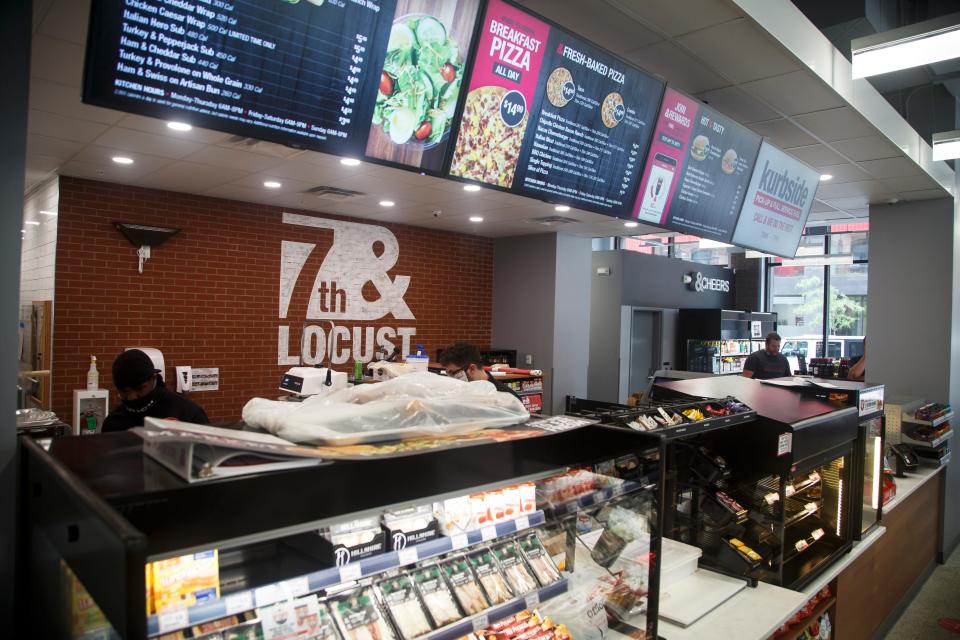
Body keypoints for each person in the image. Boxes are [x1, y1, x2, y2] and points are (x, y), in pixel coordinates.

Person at [102, 349, 210, 432]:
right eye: (124, 391)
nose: (132, 397)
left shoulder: (187, 413)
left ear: (154, 378)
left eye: (139, 388)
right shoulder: (113, 423)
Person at [438, 342, 522, 401]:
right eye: (448, 373)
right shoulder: (460, 392)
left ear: (472, 369)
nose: (451, 378)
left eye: (453, 373)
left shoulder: (507, 398)